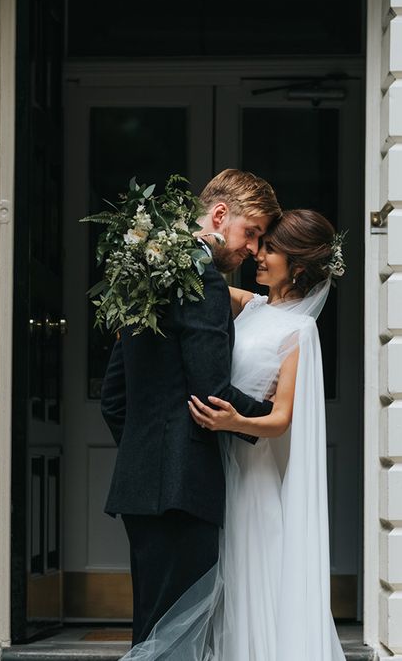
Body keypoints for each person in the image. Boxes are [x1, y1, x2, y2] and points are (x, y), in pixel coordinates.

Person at [122, 209, 347, 660]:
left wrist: (234, 422)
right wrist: (152, 249)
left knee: (253, 578)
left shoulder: (300, 332)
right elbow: (196, 283)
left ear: (298, 267)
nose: (258, 255)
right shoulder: (253, 305)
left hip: (253, 473)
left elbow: (282, 418)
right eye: (260, 244)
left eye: (271, 249)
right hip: (217, 466)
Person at [100, 169, 283, 646]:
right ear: (220, 216)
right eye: (251, 233)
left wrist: (150, 450)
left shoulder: (144, 270)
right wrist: (277, 412)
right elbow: (212, 390)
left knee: (154, 633)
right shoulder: (204, 281)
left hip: (141, 485)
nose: (252, 249)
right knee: (178, 638)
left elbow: (114, 398)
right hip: (184, 488)